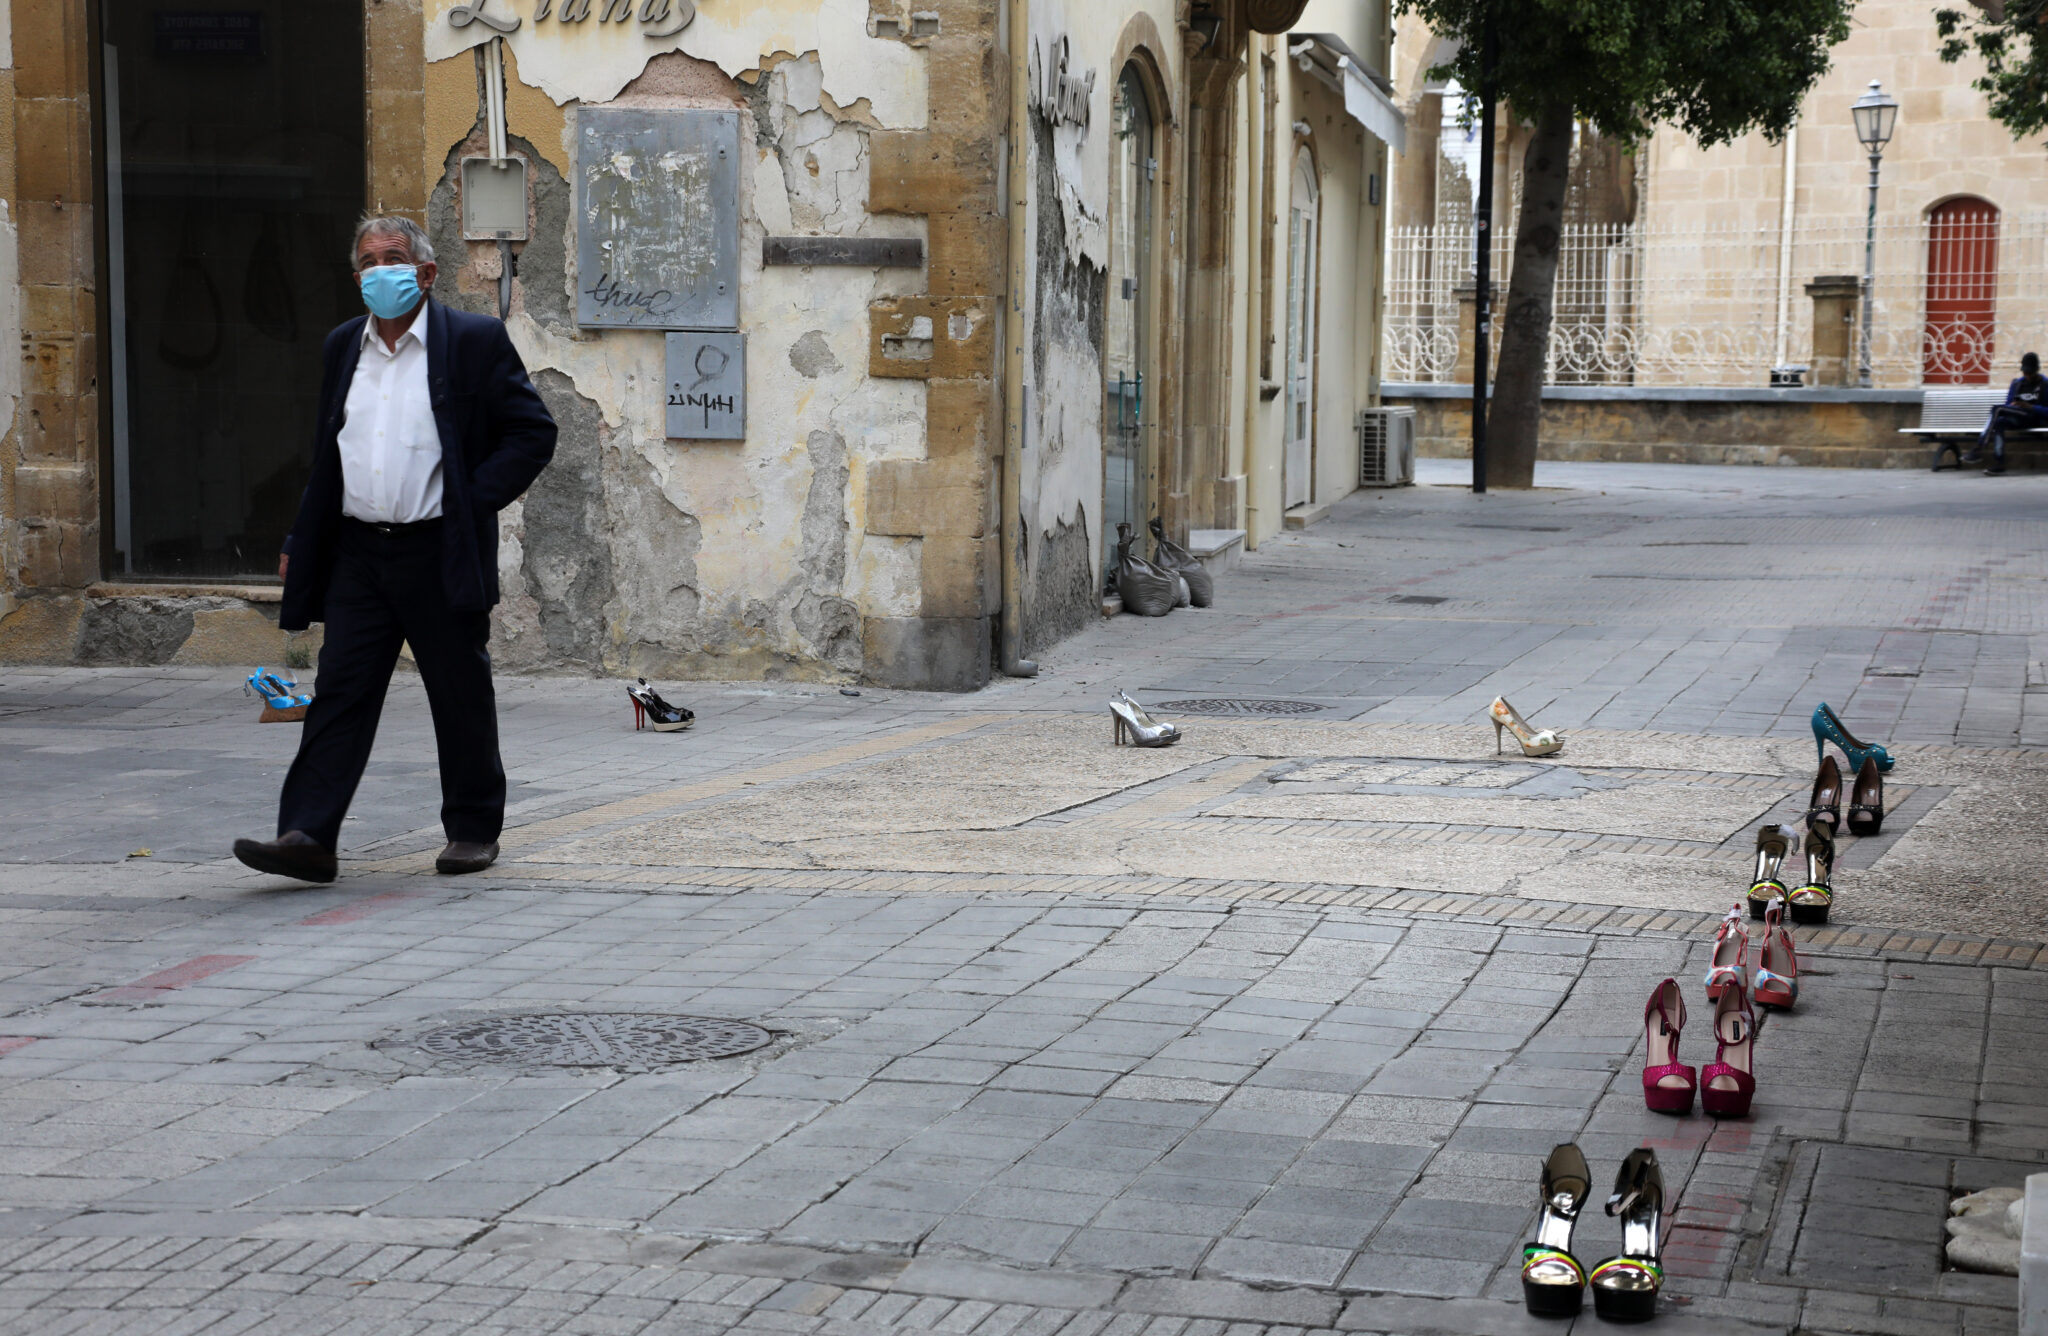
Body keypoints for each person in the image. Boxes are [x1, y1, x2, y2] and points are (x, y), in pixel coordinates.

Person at [233, 216, 557, 883]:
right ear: (356, 279)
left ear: (426, 273)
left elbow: (531, 433)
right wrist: (302, 536)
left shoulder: (472, 341)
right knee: (339, 693)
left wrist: (468, 500)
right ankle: (306, 835)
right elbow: (328, 454)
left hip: (437, 548)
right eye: (369, 260)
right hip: (358, 552)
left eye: (395, 258)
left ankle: (471, 830)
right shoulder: (341, 348)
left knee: (458, 691)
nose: (383, 269)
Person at [1969, 351, 2047, 476]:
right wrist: (2013, 406)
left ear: (2036, 370)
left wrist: (2031, 407)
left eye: (2030, 373)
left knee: (1997, 409)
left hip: (2034, 417)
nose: (2028, 376)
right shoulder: (2017, 384)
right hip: (2018, 417)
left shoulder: (2045, 384)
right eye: (2025, 373)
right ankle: (1999, 462)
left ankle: (1979, 448)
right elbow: (2008, 404)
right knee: (1999, 422)